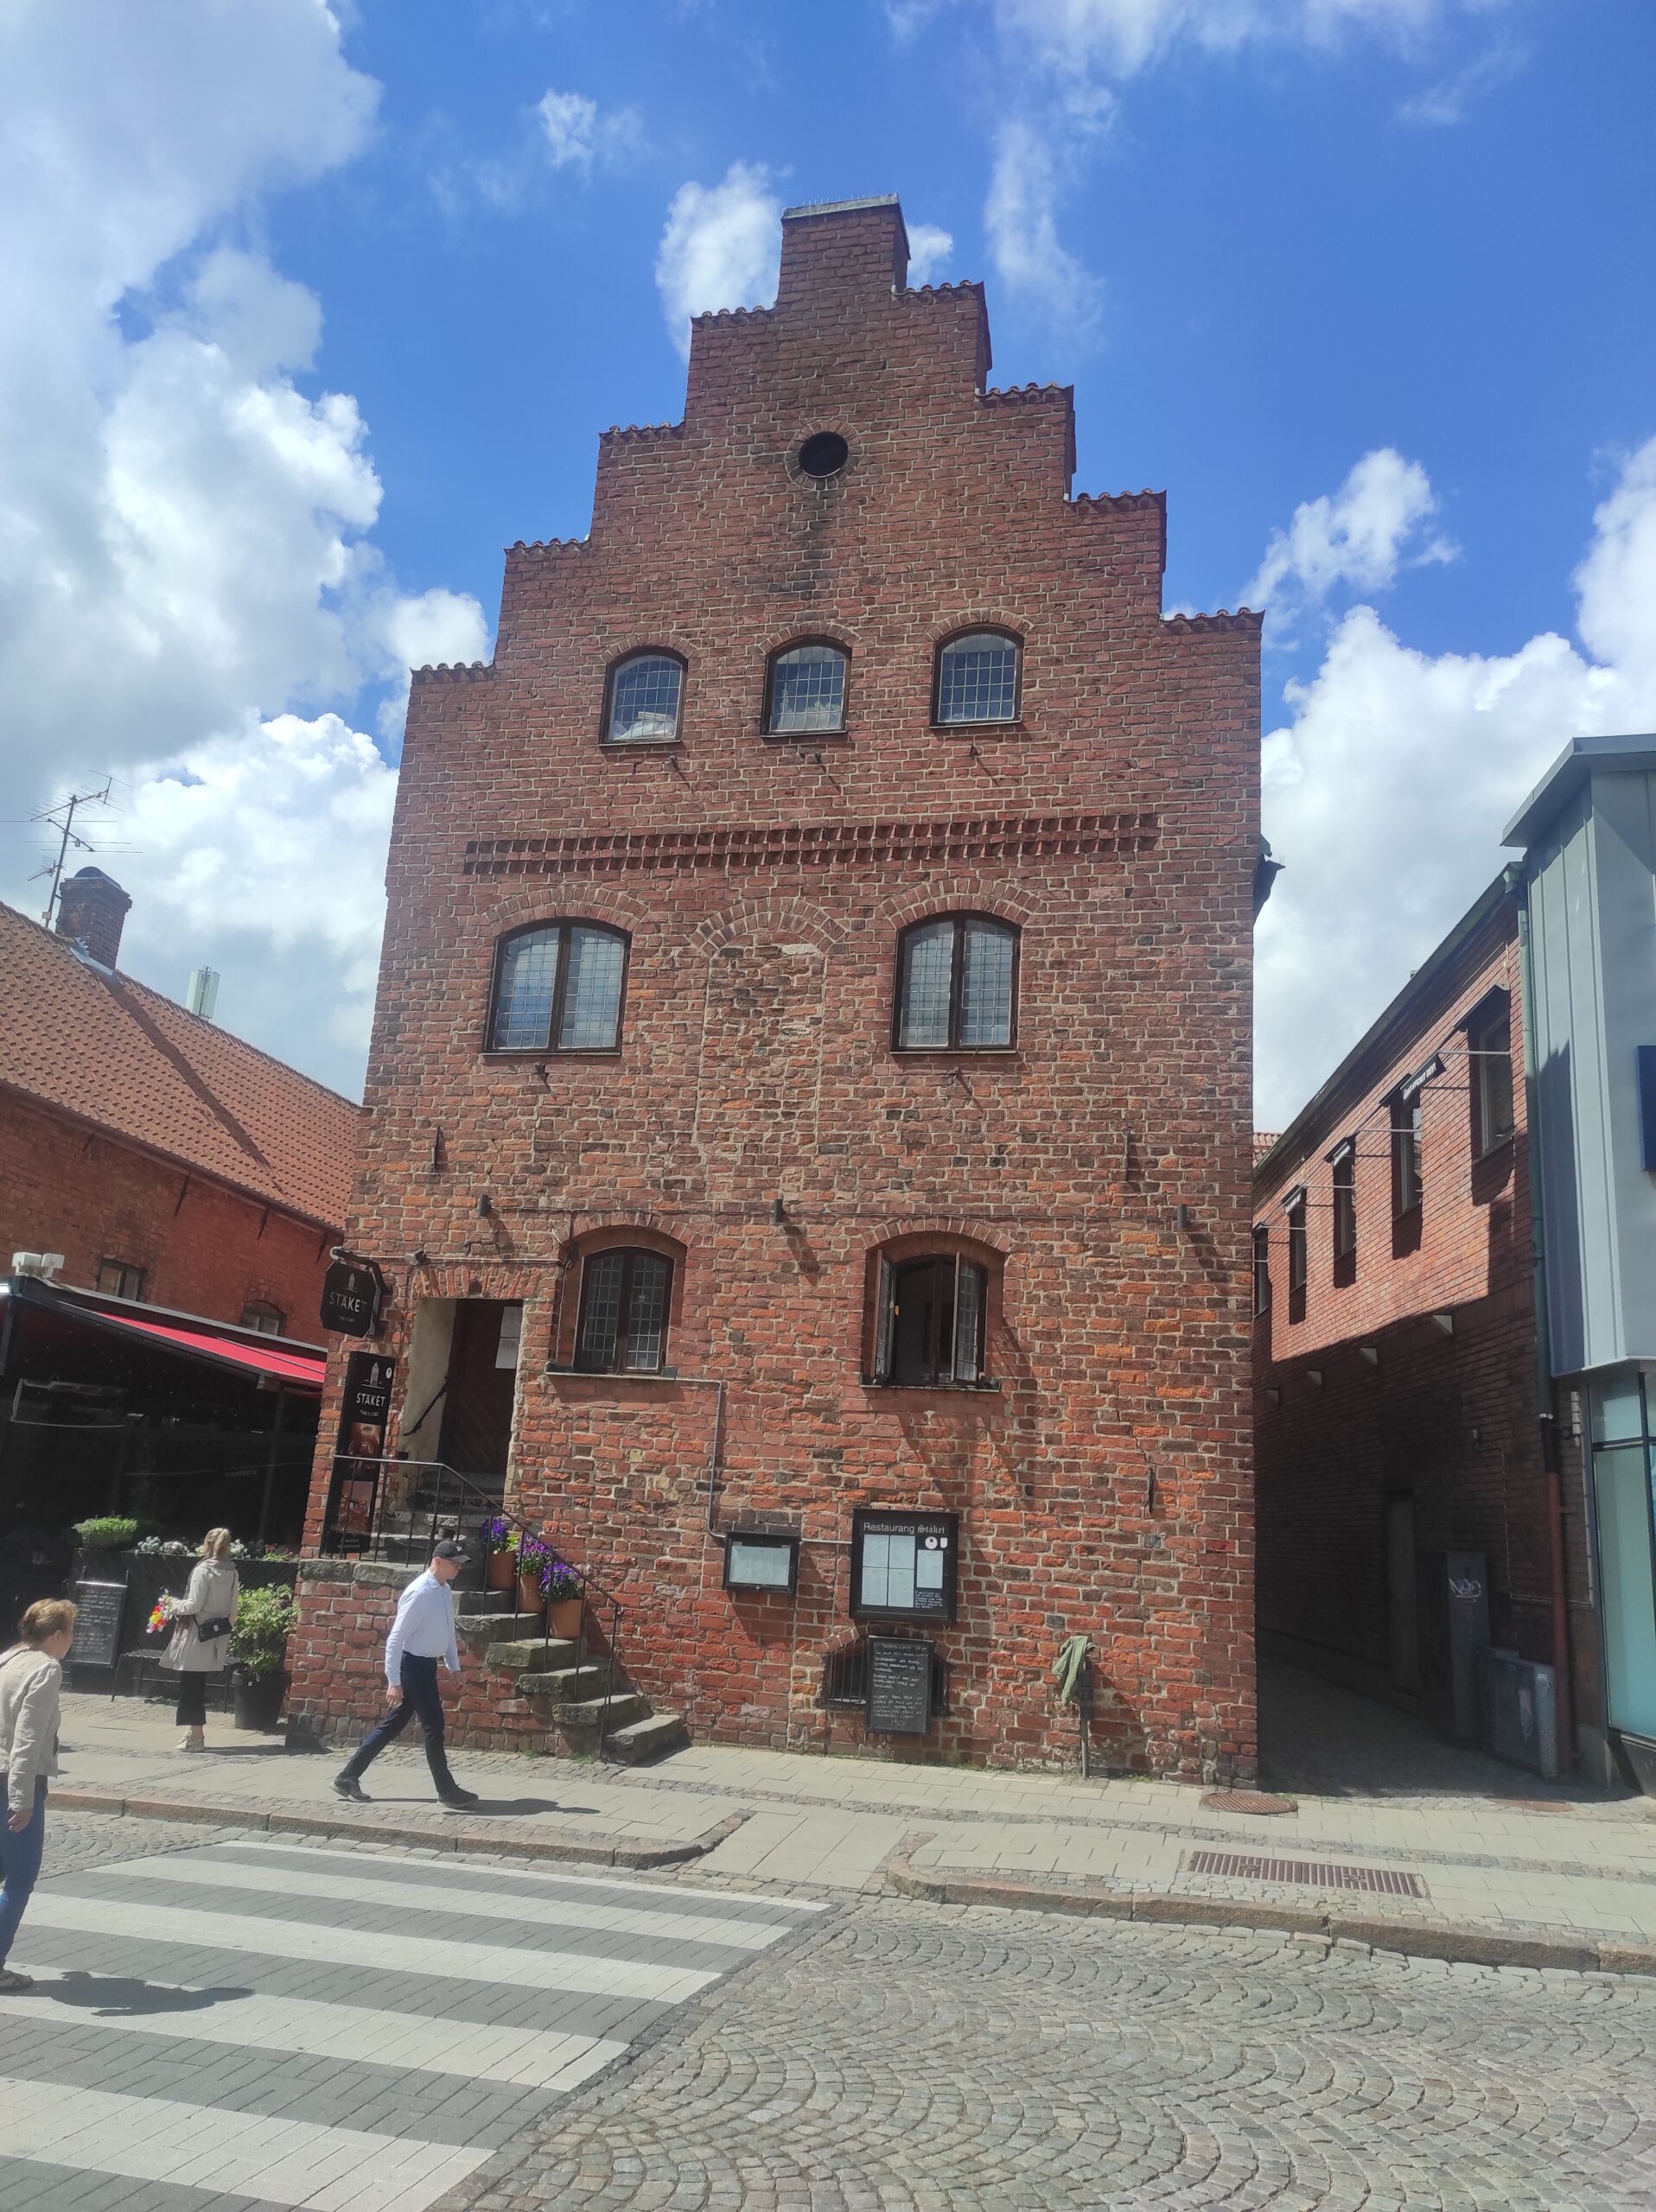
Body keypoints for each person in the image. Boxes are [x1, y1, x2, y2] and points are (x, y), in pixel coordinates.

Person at [334, 1539, 478, 1807]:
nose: (459, 1568)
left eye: (460, 1564)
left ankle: (347, 1777)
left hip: (426, 1666)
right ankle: (446, 1790)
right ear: (438, 1562)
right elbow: (395, 1638)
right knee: (434, 1726)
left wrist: (454, 1666)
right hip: (412, 1666)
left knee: (393, 1724)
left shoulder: (444, 1589)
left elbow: (447, 1630)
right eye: (455, 1564)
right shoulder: (420, 1593)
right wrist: (394, 1681)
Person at [0, 1597, 77, 1993]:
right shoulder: (45, 1668)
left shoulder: (6, 1659)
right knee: (20, 1877)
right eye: (71, 1632)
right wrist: (22, 1799)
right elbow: (28, 1739)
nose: (72, 1641)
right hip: (15, 1779)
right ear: (58, 1635)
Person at [161, 1529, 240, 1751]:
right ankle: (193, 1733)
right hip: (216, 1634)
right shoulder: (233, 1573)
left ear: (207, 1544)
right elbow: (233, 1611)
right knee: (197, 1684)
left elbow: (193, 1605)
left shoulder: (203, 1570)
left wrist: (171, 1603)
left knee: (191, 1686)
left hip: (196, 1633)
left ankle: (196, 1737)